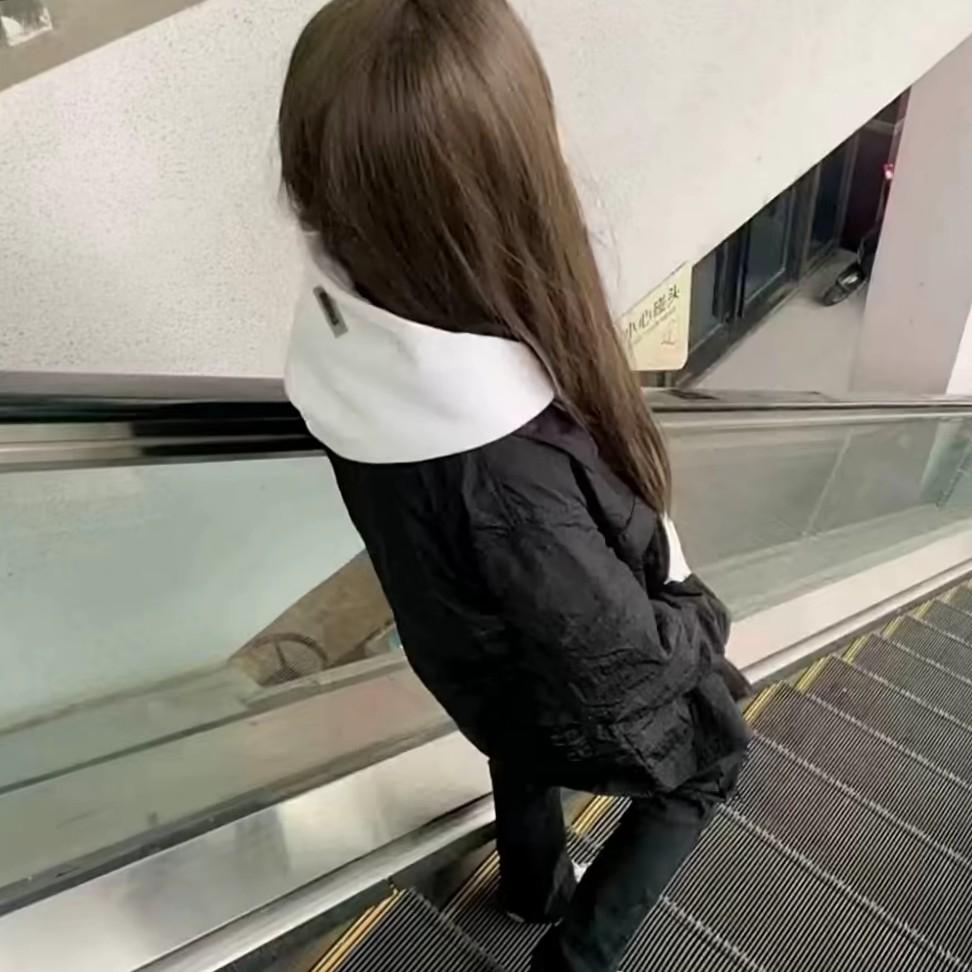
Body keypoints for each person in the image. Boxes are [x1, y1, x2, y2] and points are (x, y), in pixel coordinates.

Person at [278, 2, 752, 969]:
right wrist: (701, 619)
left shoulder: (347, 345)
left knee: (518, 737)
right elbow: (621, 655)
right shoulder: (510, 468)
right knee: (713, 764)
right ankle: (567, 959)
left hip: (468, 664)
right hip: (548, 677)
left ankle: (534, 883)